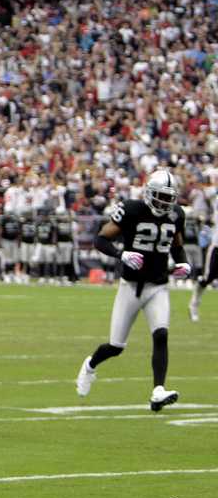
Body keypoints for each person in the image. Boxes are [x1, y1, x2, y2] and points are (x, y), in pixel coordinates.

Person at [77, 169, 192, 410]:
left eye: (169, 197)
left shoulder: (176, 215)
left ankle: (158, 390)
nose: (165, 202)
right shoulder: (131, 209)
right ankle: (90, 365)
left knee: (161, 335)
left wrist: (183, 264)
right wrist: (122, 254)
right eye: (160, 196)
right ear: (149, 193)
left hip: (158, 286)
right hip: (130, 287)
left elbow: (177, 247)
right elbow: (101, 239)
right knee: (116, 346)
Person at [55, 208, 77, 285]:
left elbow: (71, 235)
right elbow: (56, 235)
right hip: (60, 243)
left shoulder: (70, 224)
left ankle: (65, 277)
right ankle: (58, 277)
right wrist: (56, 244)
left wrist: (73, 244)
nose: (64, 217)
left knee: (67, 261)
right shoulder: (57, 224)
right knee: (59, 261)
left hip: (68, 243)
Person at [0, 209, 21, 283]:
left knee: (14, 258)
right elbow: (0, 231)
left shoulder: (15, 221)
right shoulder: (4, 220)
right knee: (7, 258)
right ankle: (6, 274)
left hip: (13, 241)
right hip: (6, 240)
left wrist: (18, 241)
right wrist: (0, 240)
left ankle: (12, 274)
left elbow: (18, 232)